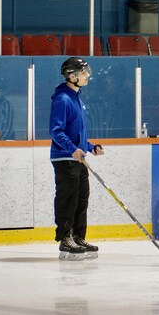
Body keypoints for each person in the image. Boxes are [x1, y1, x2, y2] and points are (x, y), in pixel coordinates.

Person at [50, 57, 104, 260]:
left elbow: (76, 133)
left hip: (77, 158)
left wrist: (90, 147)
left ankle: (79, 236)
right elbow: (56, 131)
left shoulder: (77, 98)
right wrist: (72, 149)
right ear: (72, 75)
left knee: (82, 199)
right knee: (68, 199)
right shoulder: (62, 99)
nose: (87, 75)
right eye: (83, 72)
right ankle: (65, 238)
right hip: (64, 159)